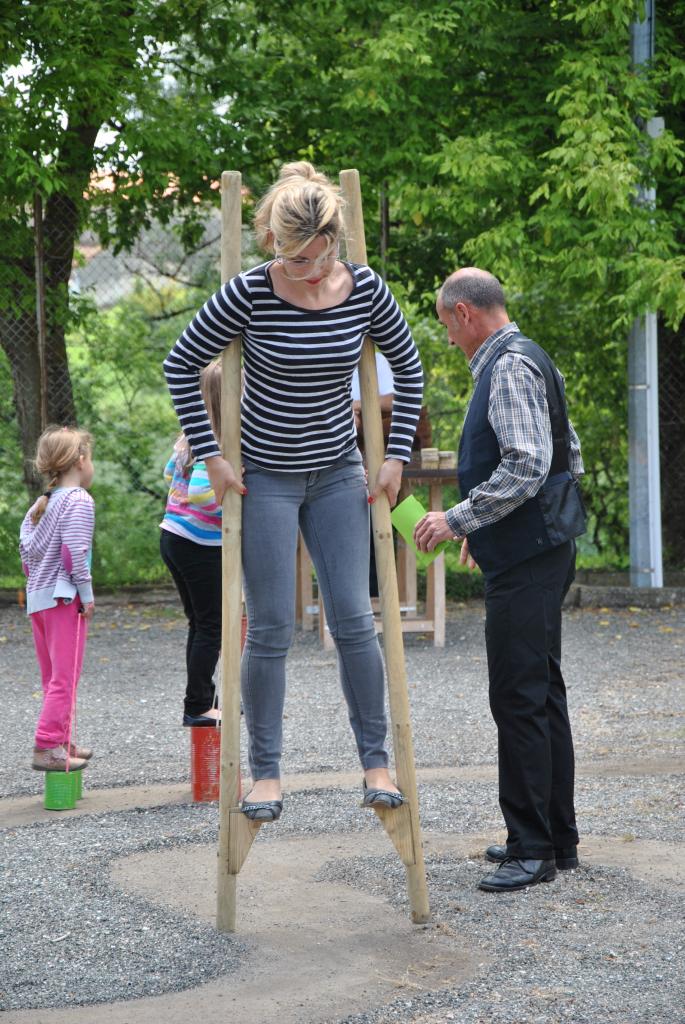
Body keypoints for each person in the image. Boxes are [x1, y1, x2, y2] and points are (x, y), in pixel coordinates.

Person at [164, 160, 424, 821]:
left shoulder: (364, 289)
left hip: (338, 473)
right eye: (289, 257)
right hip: (266, 480)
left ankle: (375, 762)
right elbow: (179, 362)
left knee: (354, 620)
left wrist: (394, 457)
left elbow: (412, 365)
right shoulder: (251, 291)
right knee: (271, 626)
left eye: (311, 257)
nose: (301, 270)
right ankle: (266, 774)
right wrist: (215, 456)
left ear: (333, 240)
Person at [414, 267, 586, 893]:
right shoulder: (530, 355)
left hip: (531, 556)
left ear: (462, 312)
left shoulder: (507, 365)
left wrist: (458, 517)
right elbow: (570, 453)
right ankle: (556, 837)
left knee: (518, 695)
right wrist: (488, 532)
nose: (450, 341)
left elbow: (528, 465)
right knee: (541, 691)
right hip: (535, 549)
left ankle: (532, 847)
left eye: (446, 328)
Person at [20, 426, 96, 773]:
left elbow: (27, 557)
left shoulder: (40, 506)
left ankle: (61, 740)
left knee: (53, 678)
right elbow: (73, 554)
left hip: (38, 600)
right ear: (80, 460)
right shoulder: (78, 501)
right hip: (63, 601)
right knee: (65, 678)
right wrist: (87, 595)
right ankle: (48, 745)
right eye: (90, 457)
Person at [160, 360, 224, 727]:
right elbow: (202, 493)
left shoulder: (191, 435)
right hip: (198, 543)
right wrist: (234, 489)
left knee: (199, 624)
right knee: (211, 626)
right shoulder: (217, 441)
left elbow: (169, 472)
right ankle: (198, 704)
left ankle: (202, 698)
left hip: (173, 535)